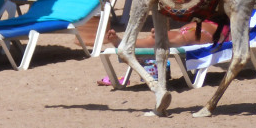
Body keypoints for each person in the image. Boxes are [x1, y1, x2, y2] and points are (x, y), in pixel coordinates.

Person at [97, 20, 230, 85]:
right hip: (200, 28)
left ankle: (164, 38)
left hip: (212, 32)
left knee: (184, 37)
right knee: (179, 37)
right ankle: (124, 43)